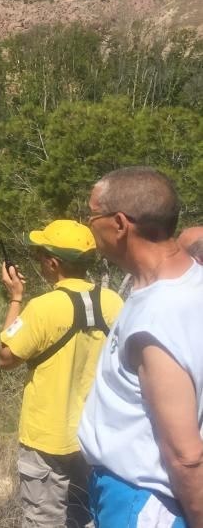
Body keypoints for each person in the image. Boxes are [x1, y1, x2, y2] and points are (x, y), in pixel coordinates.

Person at [78, 167, 203, 527]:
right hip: (133, 495)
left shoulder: (157, 318)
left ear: (119, 223)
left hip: (141, 502)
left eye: (91, 216)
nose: (88, 226)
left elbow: (186, 456)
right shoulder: (184, 283)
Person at [0, 219, 123, 528]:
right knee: (85, 517)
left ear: (53, 263)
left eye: (41, 254)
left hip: (46, 440)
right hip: (95, 436)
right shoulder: (114, 302)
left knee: (44, 522)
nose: (39, 259)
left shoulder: (43, 307)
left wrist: (15, 297)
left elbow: (5, 356)